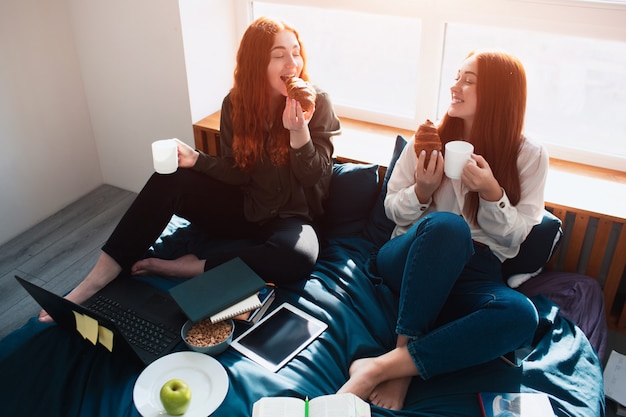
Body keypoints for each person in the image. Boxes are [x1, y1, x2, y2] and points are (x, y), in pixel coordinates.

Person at [39, 16, 340, 322]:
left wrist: (299, 133)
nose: (292, 63)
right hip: (247, 209)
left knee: (298, 256)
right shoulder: (236, 105)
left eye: (296, 51)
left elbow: (315, 177)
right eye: (278, 55)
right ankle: (94, 281)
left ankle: (187, 266)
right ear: (255, 63)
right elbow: (239, 171)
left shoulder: (318, 103)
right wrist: (196, 159)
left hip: (292, 219)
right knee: (170, 177)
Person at [337, 50, 549, 410]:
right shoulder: (428, 139)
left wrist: (491, 193)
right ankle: (403, 362)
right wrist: (421, 190)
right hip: (411, 255)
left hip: (476, 271)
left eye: (469, 80)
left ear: (498, 94)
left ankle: (383, 367)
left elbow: (514, 240)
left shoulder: (529, 156)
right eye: (457, 77)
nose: (456, 86)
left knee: (522, 316)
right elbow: (392, 208)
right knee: (449, 228)